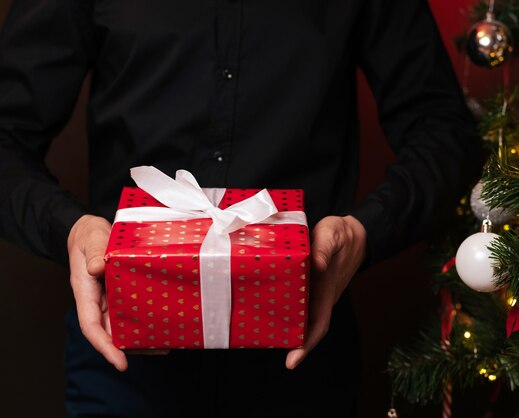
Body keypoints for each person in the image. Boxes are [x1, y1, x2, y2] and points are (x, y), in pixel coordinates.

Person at [0, 0, 481, 417]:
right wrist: (70, 229)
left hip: (302, 343)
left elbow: (443, 133)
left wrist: (364, 232)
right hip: (123, 342)